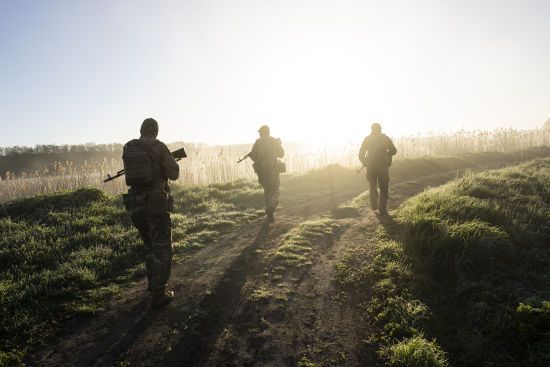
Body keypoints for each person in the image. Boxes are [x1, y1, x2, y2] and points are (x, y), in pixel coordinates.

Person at [122, 118, 180, 308]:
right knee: (163, 247)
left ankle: (151, 284)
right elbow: (174, 173)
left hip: (135, 204)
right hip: (155, 204)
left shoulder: (129, 147)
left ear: (141, 130)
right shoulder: (159, 146)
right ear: (155, 131)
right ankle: (159, 293)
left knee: (148, 244)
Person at [358, 123, 397, 215]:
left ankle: (374, 205)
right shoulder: (385, 139)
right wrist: (387, 154)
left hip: (371, 167)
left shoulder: (367, 139)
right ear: (380, 129)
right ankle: (382, 209)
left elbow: (360, 155)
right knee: (383, 188)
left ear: (371, 129)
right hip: (383, 167)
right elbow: (394, 151)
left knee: (372, 186)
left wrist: (365, 162)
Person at [249, 125, 285, 222]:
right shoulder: (274, 141)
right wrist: (278, 144)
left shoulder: (257, 142)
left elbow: (254, 157)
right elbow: (281, 154)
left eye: (260, 132)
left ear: (262, 132)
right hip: (273, 170)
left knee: (267, 191)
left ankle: (270, 212)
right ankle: (271, 208)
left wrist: (251, 155)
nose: (259, 134)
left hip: (262, 171)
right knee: (275, 190)